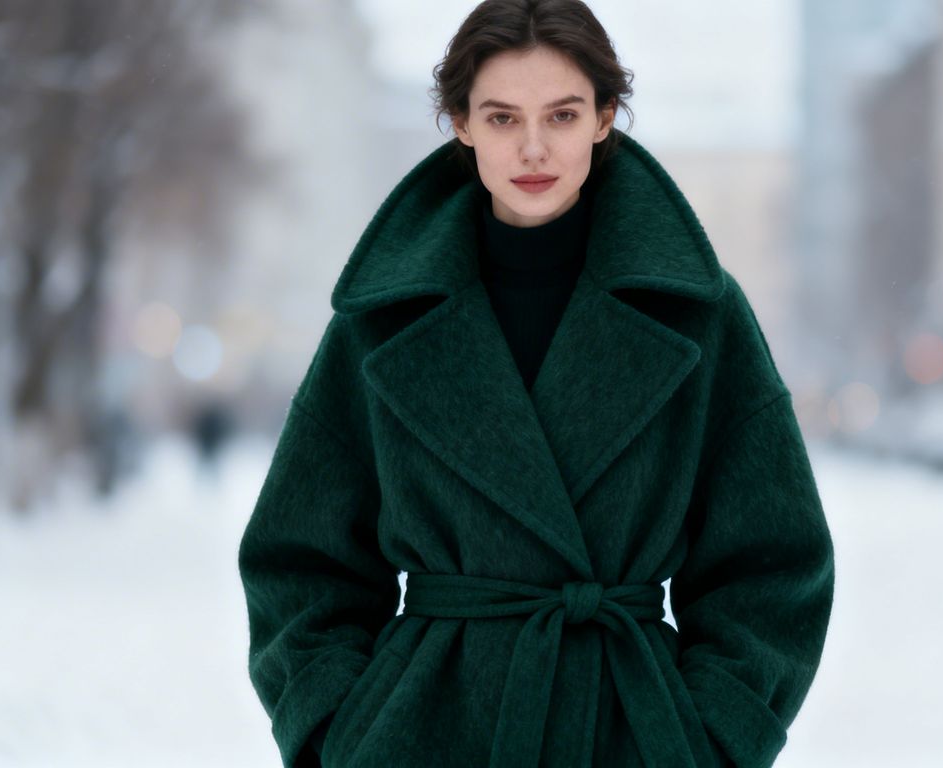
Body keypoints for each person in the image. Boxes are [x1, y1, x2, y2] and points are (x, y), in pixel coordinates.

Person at [237, 2, 835, 766]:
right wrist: (338, 729)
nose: (531, 148)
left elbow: (775, 560)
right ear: (459, 123)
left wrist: (709, 736)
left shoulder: (698, 314)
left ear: (604, 117)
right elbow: (299, 557)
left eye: (561, 114)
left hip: (627, 726)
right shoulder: (382, 318)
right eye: (500, 117)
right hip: (425, 730)